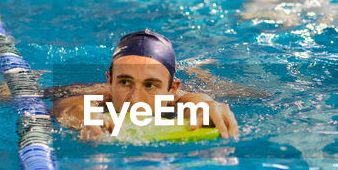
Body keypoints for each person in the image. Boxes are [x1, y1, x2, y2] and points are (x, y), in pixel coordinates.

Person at [51, 29, 239, 140]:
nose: (135, 100)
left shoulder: (178, 97)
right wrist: (86, 117)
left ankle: (197, 66)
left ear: (171, 89)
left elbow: (194, 101)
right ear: (109, 81)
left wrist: (205, 107)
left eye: (150, 85)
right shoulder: (100, 96)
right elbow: (71, 104)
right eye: (125, 82)